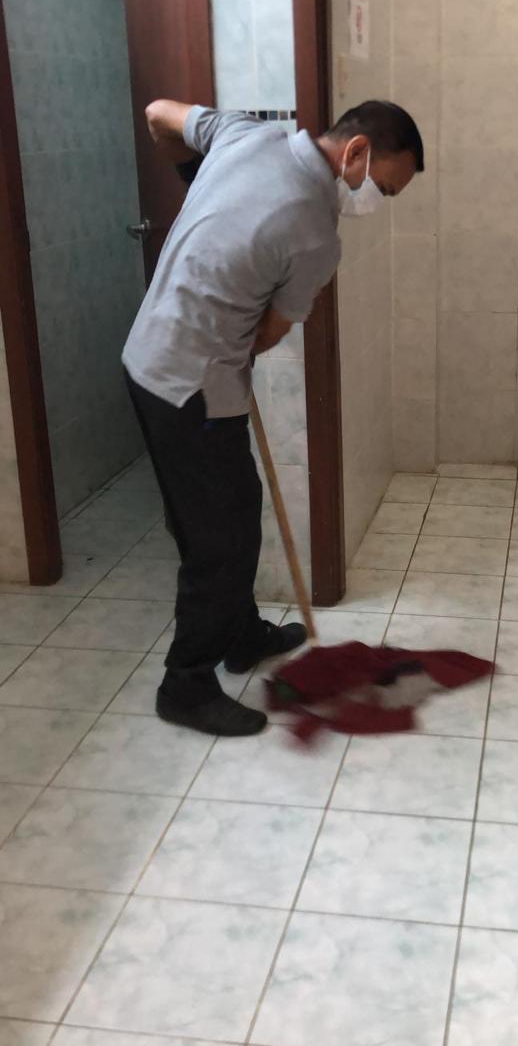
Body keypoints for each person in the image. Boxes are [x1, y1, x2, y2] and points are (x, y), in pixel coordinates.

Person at [122, 99, 424, 737]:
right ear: (357, 152)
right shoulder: (315, 232)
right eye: (385, 187)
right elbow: (266, 334)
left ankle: (242, 635)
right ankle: (185, 684)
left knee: (229, 509)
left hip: (147, 357)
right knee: (220, 541)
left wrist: (197, 183)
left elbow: (157, 115)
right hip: (190, 383)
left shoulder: (243, 134)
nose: (378, 199)